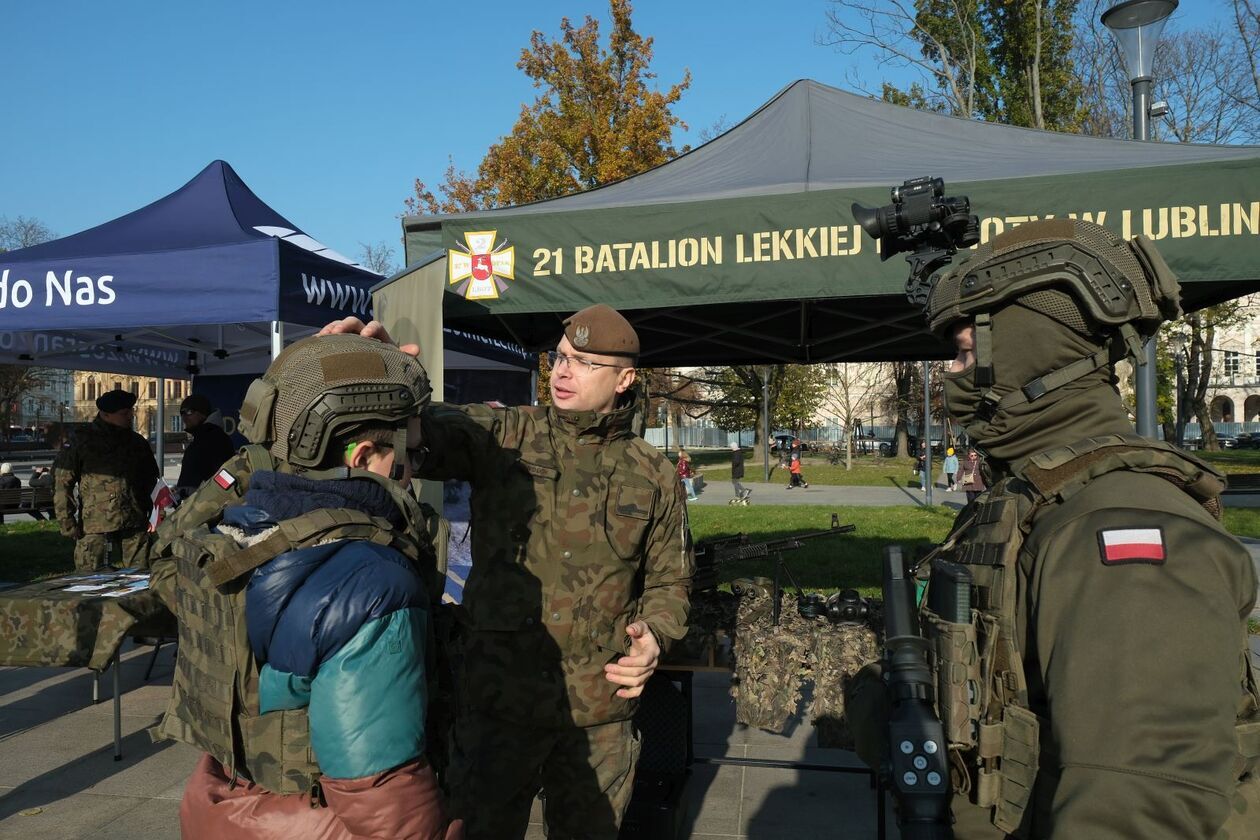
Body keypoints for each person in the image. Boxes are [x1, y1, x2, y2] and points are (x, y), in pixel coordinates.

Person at [849, 219, 1258, 838]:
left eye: (963, 353)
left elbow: (1138, 810)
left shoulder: (1122, 527)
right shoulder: (1036, 498)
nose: (950, 375)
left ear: (1026, 349)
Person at [320, 304, 692, 840]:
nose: (562, 371)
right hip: (497, 704)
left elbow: (670, 581)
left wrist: (655, 635)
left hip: (596, 715)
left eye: (584, 363)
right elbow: (424, 432)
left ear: (625, 379)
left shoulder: (654, 474)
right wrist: (376, 373)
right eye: (561, 358)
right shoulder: (508, 434)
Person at [148, 334, 461, 840]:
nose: (415, 470)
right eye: (414, 453)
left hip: (224, 808)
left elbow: (163, 549)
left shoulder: (231, 533)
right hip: (322, 822)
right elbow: (386, 809)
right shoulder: (371, 584)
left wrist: (301, 379)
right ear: (362, 457)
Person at [53, 389, 158, 570]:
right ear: (105, 414)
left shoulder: (136, 442)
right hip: (95, 524)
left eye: (131, 411)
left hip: (134, 521)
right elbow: (62, 482)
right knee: (89, 582)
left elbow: (150, 478)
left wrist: (151, 512)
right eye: (124, 413)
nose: (130, 416)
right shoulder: (82, 440)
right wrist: (67, 521)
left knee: (141, 578)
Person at [175, 393, 237, 495]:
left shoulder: (216, 439)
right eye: (182, 413)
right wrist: (181, 491)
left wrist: (206, 497)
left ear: (203, 413)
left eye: (189, 412)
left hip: (208, 507)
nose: (184, 417)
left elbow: (226, 476)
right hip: (196, 504)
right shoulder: (200, 438)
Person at [729, 441, 750, 505]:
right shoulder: (738, 452)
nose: (731, 448)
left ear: (734, 447)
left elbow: (736, 461)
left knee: (735, 482)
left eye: (731, 447)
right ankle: (738, 494)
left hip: (737, 470)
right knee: (735, 482)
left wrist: (734, 465)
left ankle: (742, 492)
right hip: (738, 470)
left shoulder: (736, 453)